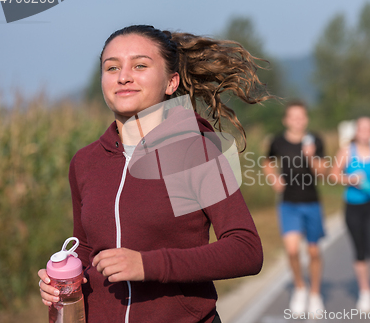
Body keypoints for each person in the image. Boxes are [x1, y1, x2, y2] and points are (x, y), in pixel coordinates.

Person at [38, 25, 269, 323]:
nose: (123, 76)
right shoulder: (86, 162)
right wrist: (63, 277)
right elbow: (85, 246)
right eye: (112, 67)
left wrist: (148, 265)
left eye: (140, 65)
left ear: (171, 82)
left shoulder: (193, 152)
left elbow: (245, 249)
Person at [263, 100, 327, 315]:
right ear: (286, 120)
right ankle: (300, 287)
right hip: (288, 204)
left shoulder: (315, 140)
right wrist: (274, 179)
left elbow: (322, 173)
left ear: (306, 119)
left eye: (301, 117)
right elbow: (267, 162)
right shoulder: (277, 141)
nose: (297, 121)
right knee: (292, 250)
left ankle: (315, 294)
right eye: (293, 117)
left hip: (311, 203)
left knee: (314, 251)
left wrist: (311, 156)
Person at [330, 117, 370, 314]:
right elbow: (333, 175)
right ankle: (365, 292)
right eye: (361, 128)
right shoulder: (347, 152)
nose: (365, 131)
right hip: (353, 207)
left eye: (368, 128)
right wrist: (350, 178)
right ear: (356, 132)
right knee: (359, 252)